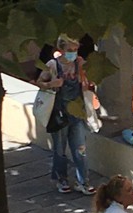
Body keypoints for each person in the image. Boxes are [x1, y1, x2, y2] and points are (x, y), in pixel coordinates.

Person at [37, 34, 95, 195]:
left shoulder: (79, 63)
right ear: (61, 50)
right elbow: (39, 83)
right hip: (59, 113)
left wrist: (87, 83)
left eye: (76, 49)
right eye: (70, 50)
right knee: (59, 150)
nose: (73, 53)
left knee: (80, 148)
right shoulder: (53, 65)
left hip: (77, 113)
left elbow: (88, 81)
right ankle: (61, 179)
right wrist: (51, 84)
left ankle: (83, 181)